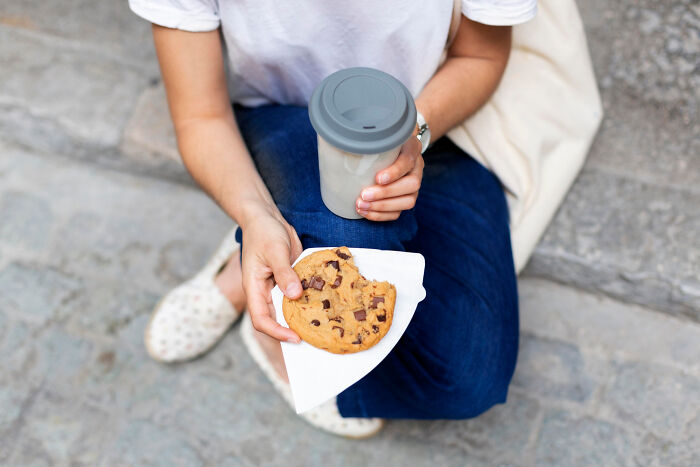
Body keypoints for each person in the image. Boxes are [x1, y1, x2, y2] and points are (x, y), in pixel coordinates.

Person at [130, 0, 537, 438]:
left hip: (433, 127)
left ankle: (270, 250)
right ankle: (268, 295)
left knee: (469, 381)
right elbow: (201, 117)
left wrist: (414, 135)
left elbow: (480, 56)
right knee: (343, 233)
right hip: (284, 118)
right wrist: (256, 213)